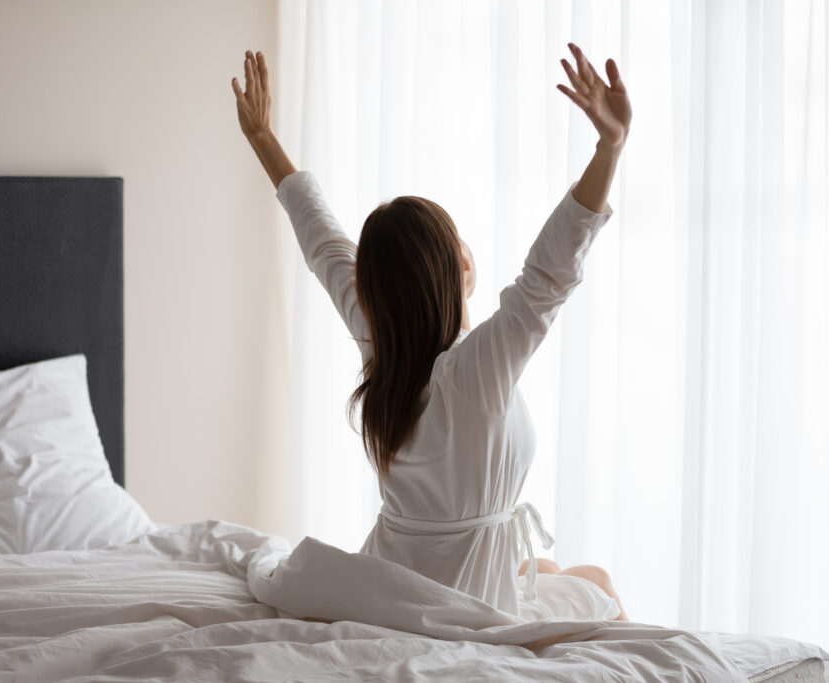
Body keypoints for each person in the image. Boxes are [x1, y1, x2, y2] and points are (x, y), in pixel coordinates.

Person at [232, 42, 631, 621]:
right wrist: (610, 145)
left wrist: (262, 138)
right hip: (460, 603)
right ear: (458, 268)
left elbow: (321, 241)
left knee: (544, 570)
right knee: (596, 582)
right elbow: (548, 274)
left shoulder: (381, 342)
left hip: (394, 582)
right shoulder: (476, 371)